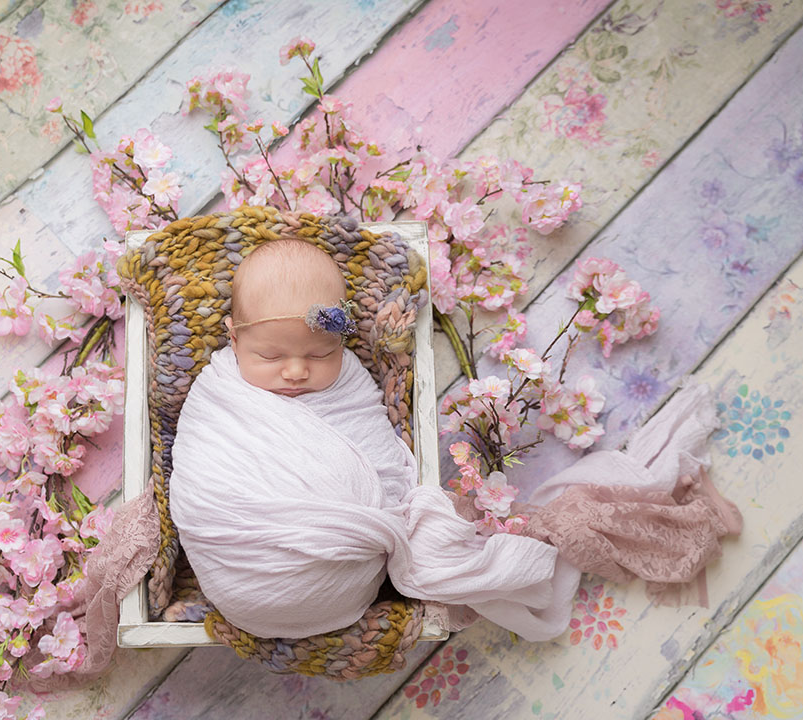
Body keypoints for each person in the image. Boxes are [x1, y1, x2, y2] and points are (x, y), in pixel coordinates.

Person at [169, 236, 740, 642]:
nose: (296, 372)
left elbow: (383, 453)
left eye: (320, 353)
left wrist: (368, 508)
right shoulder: (222, 392)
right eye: (271, 356)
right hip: (244, 559)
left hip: (345, 563)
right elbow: (202, 465)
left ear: (341, 340)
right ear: (234, 336)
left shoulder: (349, 382)